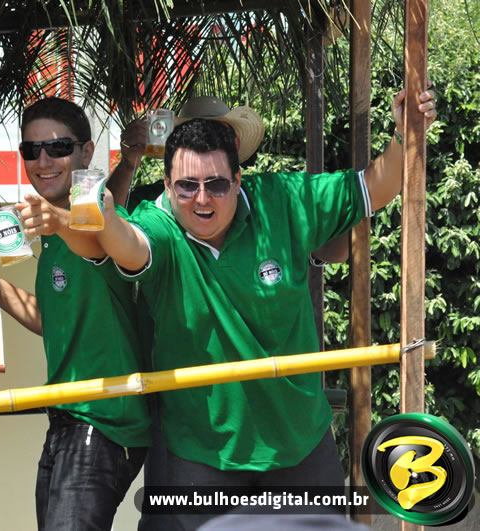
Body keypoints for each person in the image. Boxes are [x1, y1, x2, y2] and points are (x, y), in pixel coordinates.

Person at [90, 87, 435, 530]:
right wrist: (100, 218)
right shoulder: (156, 221)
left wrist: (406, 136)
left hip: (299, 443)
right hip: (203, 451)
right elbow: (129, 245)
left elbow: (373, 186)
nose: (202, 198)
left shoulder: (281, 198)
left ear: (237, 173)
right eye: (187, 185)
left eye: (216, 183)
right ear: (169, 182)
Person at [0, 97, 150, 530]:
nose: (43, 160)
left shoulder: (91, 220)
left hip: (103, 419)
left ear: (86, 152)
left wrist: (58, 219)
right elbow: (55, 322)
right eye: (31, 150)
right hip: (68, 418)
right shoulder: (54, 234)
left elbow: (96, 230)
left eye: (58, 147)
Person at [109, 96, 350, 264]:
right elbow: (107, 224)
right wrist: (128, 163)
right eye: (194, 133)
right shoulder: (154, 202)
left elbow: (332, 252)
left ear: (235, 143)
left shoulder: (266, 199)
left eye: (218, 134)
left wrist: (345, 200)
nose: (205, 142)